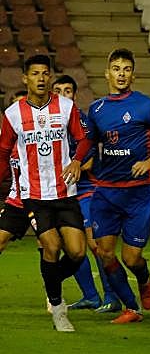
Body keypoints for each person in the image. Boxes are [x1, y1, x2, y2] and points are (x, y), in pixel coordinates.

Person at [86, 48, 150, 324]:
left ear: (133, 75)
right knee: (104, 253)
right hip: (106, 191)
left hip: (138, 193)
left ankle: (144, 278)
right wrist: (78, 161)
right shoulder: (96, 110)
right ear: (107, 74)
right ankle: (131, 307)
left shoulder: (145, 105)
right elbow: (89, 145)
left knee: (131, 258)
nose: (121, 74)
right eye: (116, 68)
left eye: (126, 69)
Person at [0, 54, 91, 332]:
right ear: (25, 78)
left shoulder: (66, 107)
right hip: (34, 195)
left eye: (44, 73)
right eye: (35, 73)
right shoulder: (13, 114)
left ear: (50, 77)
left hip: (64, 192)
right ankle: (58, 307)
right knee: (51, 246)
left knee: (77, 252)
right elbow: (3, 151)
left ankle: (50, 279)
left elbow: (85, 138)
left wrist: (77, 161)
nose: (40, 78)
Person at [51, 75, 122, 313]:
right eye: (58, 90)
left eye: (67, 90)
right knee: (71, 246)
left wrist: (71, 170)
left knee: (96, 244)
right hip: (61, 192)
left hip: (85, 189)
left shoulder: (82, 120)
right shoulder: (48, 122)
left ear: (74, 95)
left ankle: (112, 296)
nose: (63, 95)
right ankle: (90, 296)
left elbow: (90, 160)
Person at [0, 90, 32, 256]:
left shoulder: (40, 136)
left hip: (40, 199)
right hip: (16, 201)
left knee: (51, 245)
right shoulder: (5, 140)